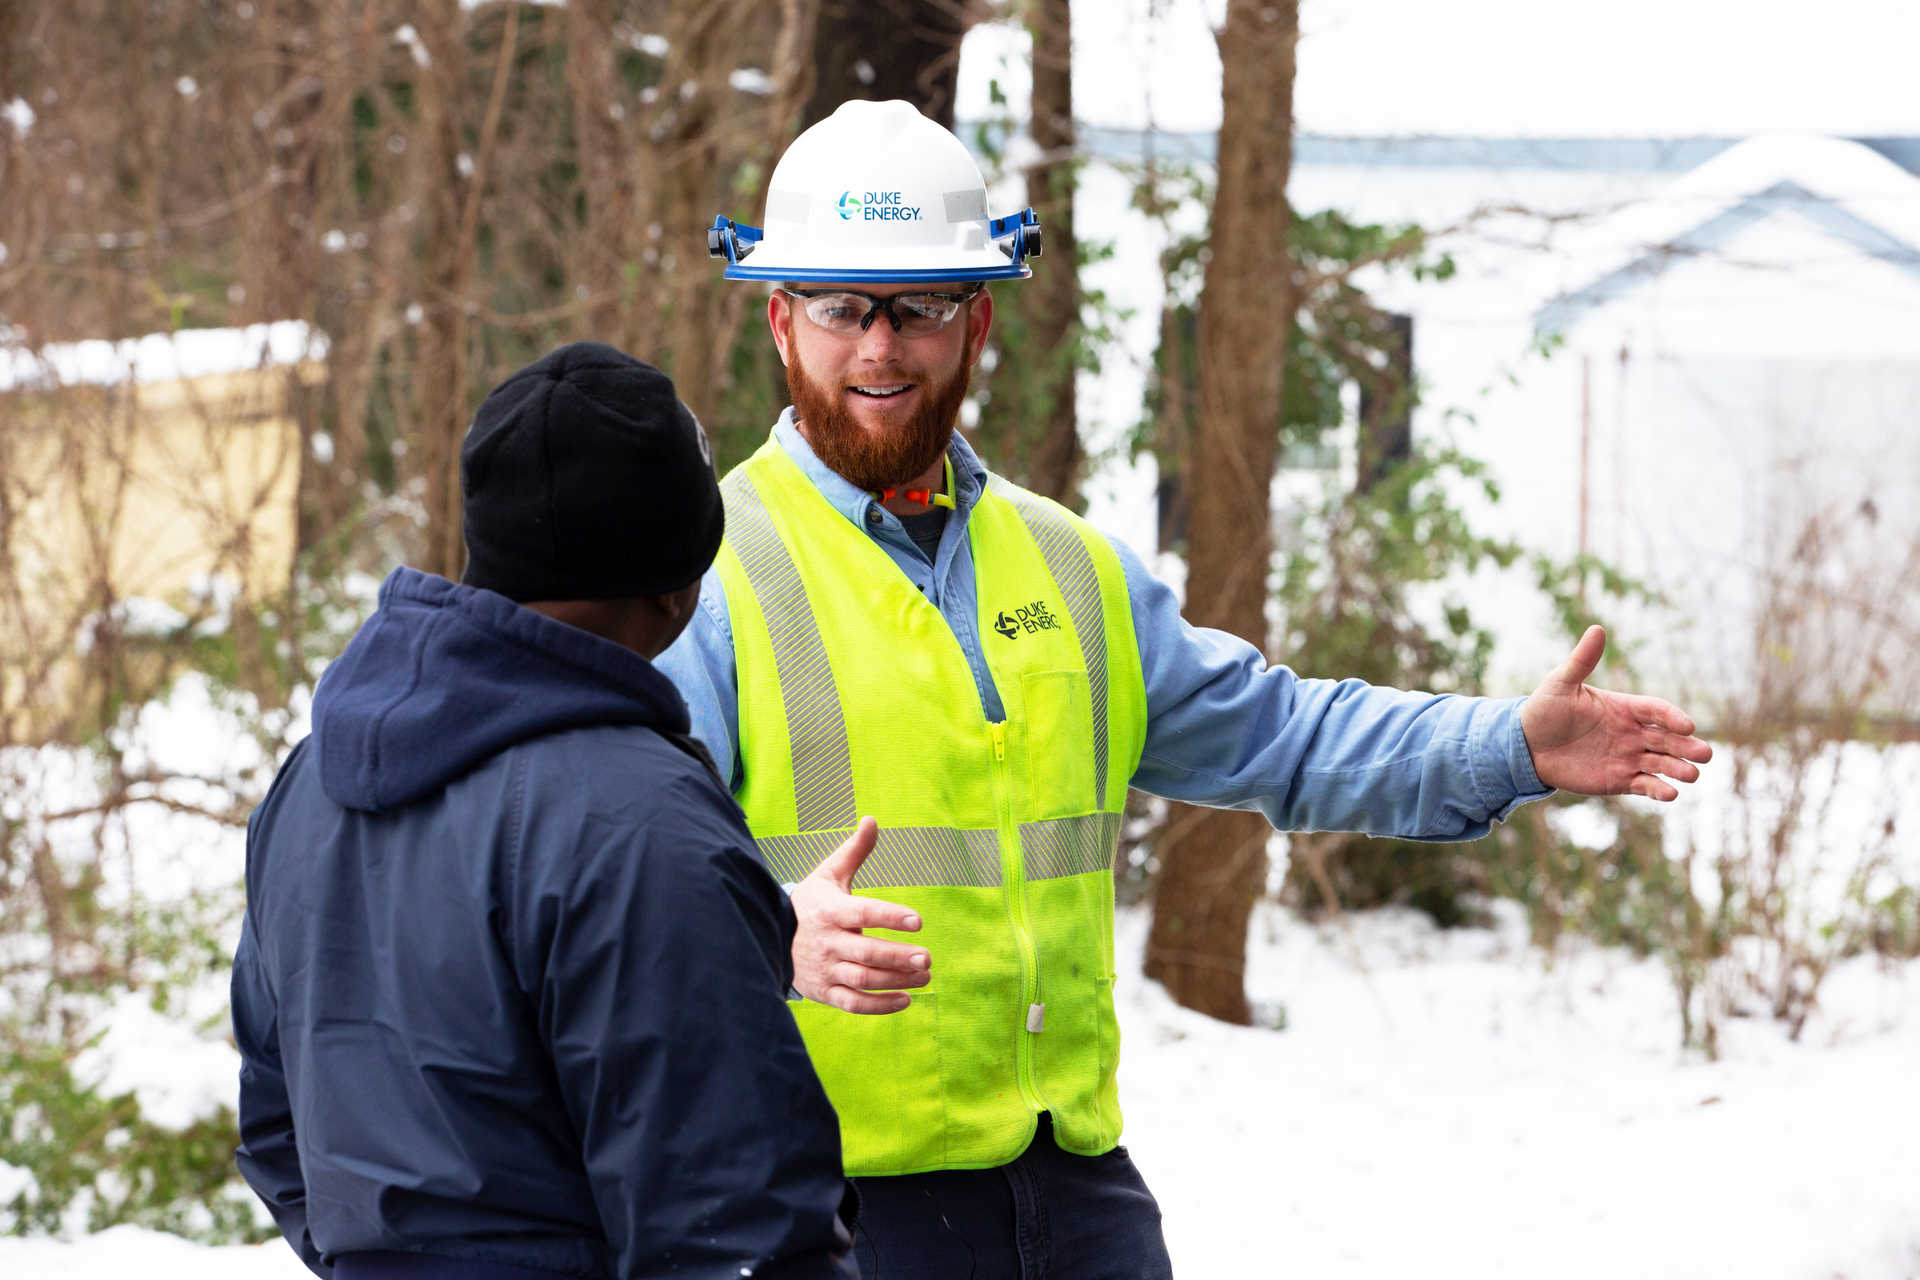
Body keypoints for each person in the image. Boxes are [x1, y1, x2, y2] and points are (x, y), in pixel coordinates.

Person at [668, 101, 1713, 1279]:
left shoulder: (1067, 561)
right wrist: (773, 932)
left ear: (977, 323)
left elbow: (1285, 737)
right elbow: (625, 880)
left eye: (919, 307)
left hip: (1073, 1193)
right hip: (836, 1208)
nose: (879, 348)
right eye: (841, 307)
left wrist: (1511, 744)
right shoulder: (702, 576)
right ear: (779, 319)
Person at [232, 342, 859, 1280]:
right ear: (678, 576)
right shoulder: (643, 820)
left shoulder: (312, 779)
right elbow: (740, 1227)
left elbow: (280, 1127)